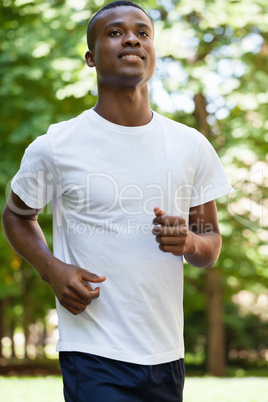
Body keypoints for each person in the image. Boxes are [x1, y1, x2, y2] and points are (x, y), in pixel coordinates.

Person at [2, 1, 233, 401]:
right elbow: (17, 216)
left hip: (166, 355)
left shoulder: (191, 146)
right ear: (91, 57)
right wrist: (51, 268)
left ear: (153, 54)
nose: (131, 38)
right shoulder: (56, 145)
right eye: (115, 32)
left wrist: (191, 243)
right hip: (93, 352)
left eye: (143, 33)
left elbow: (209, 248)